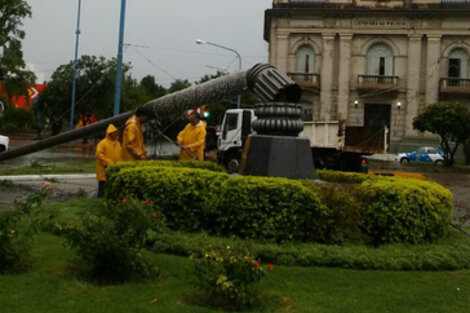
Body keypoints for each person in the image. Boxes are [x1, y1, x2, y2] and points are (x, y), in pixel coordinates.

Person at [96, 124, 122, 198]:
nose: (115, 134)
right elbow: (99, 155)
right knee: (102, 188)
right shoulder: (102, 143)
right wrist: (109, 163)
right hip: (104, 170)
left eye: (116, 132)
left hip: (114, 169)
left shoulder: (118, 143)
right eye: (114, 132)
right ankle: (100, 200)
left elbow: (120, 155)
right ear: (109, 133)